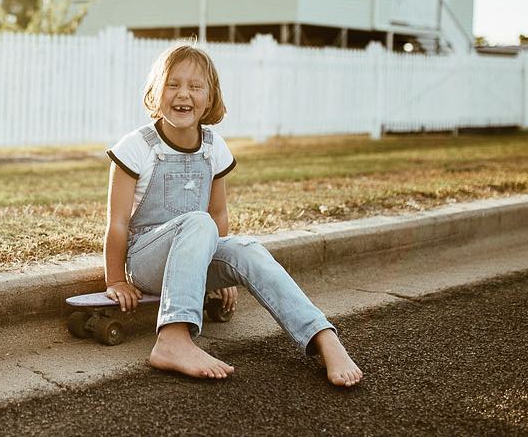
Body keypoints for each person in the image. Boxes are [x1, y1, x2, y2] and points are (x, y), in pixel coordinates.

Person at [103, 43, 363, 385]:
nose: (184, 94)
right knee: (199, 221)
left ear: (209, 99)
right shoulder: (137, 147)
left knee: (247, 249)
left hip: (196, 251)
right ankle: (173, 339)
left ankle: (321, 335)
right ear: (155, 92)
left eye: (195, 87)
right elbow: (118, 222)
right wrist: (116, 280)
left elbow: (220, 214)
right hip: (147, 262)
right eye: (172, 84)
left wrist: (221, 272)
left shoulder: (213, 148)